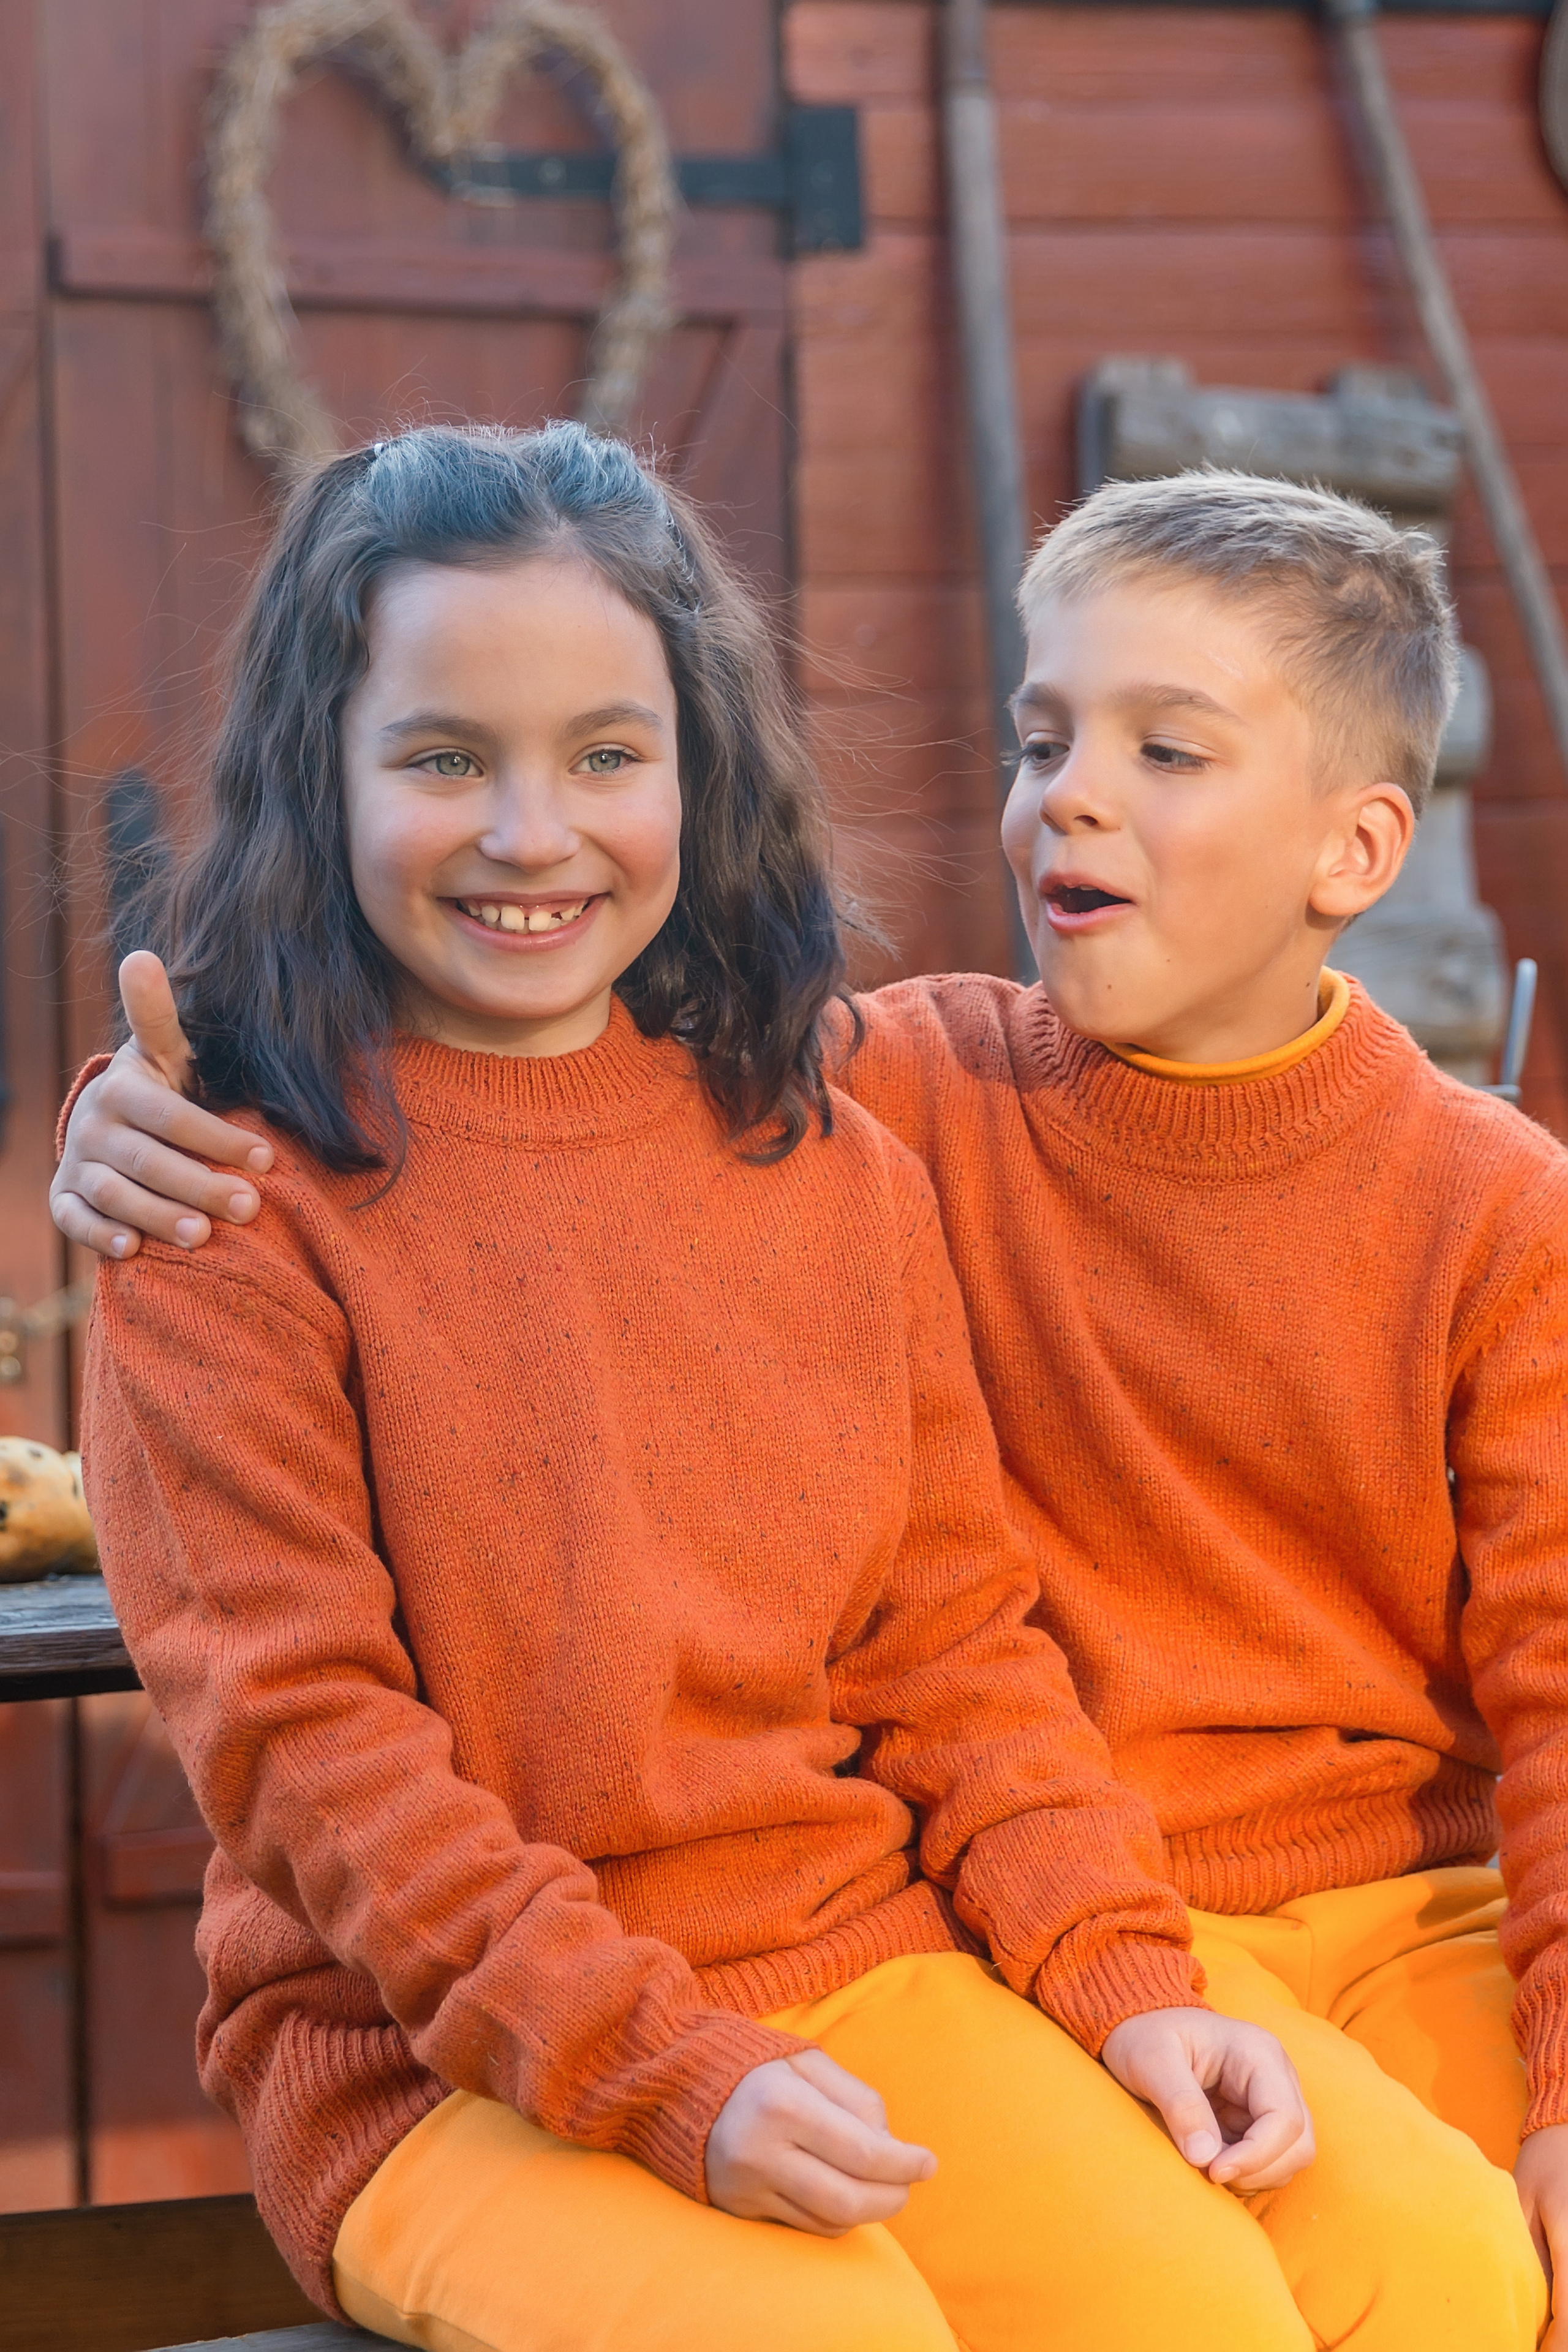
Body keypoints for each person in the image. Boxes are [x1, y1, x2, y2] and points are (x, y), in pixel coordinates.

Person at [55, 453, 1551, 2348]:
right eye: (441, 760)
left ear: (699, 767)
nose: (533, 832)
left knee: (1253, 2311)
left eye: (609, 756)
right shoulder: (225, 1204)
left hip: (870, 1952)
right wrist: (672, 2073)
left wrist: (1117, 1974)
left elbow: (950, 1640)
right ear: (319, 774)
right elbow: (307, 1747)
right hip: (445, 2052)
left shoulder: (823, 1151)